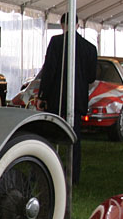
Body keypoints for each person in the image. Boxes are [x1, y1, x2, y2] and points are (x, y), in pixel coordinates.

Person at [38, 12, 97, 184]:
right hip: (78, 99)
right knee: (75, 139)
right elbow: (91, 77)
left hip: (56, 97)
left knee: (51, 135)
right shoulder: (89, 48)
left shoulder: (56, 43)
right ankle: (74, 176)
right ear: (77, 25)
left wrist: (42, 95)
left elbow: (49, 71)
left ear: (62, 25)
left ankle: (49, 171)